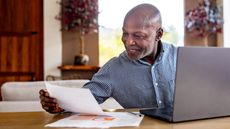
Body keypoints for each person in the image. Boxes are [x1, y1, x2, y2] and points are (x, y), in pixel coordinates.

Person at [39, 3, 177, 114]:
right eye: (125, 34)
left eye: (138, 35)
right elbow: (85, 98)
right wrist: (59, 104)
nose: (128, 42)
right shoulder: (114, 69)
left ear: (158, 35)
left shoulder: (179, 57)